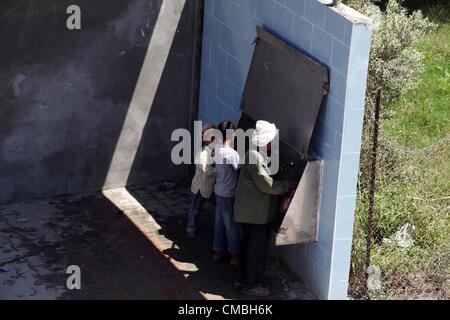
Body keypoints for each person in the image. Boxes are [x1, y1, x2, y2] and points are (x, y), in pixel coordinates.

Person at [234, 120, 291, 297]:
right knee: (255, 251)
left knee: (247, 247)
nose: (275, 141)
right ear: (266, 141)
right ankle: (251, 284)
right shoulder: (255, 157)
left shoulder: (256, 154)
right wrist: (287, 185)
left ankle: (244, 279)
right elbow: (266, 185)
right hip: (254, 214)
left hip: (251, 212)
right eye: (273, 139)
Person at [212, 120, 241, 267]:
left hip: (218, 190)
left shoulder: (216, 149)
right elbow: (239, 170)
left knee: (219, 221)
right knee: (230, 224)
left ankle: (218, 250)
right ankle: (234, 253)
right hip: (228, 193)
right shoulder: (232, 154)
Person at [186, 124, 216, 240]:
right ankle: (190, 228)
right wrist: (219, 170)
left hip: (211, 185)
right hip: (201, 185)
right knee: (195, 207)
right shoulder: (203, 153)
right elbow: (207, 171)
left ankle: (215, 227)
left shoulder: (214, 150)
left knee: (215, 207)